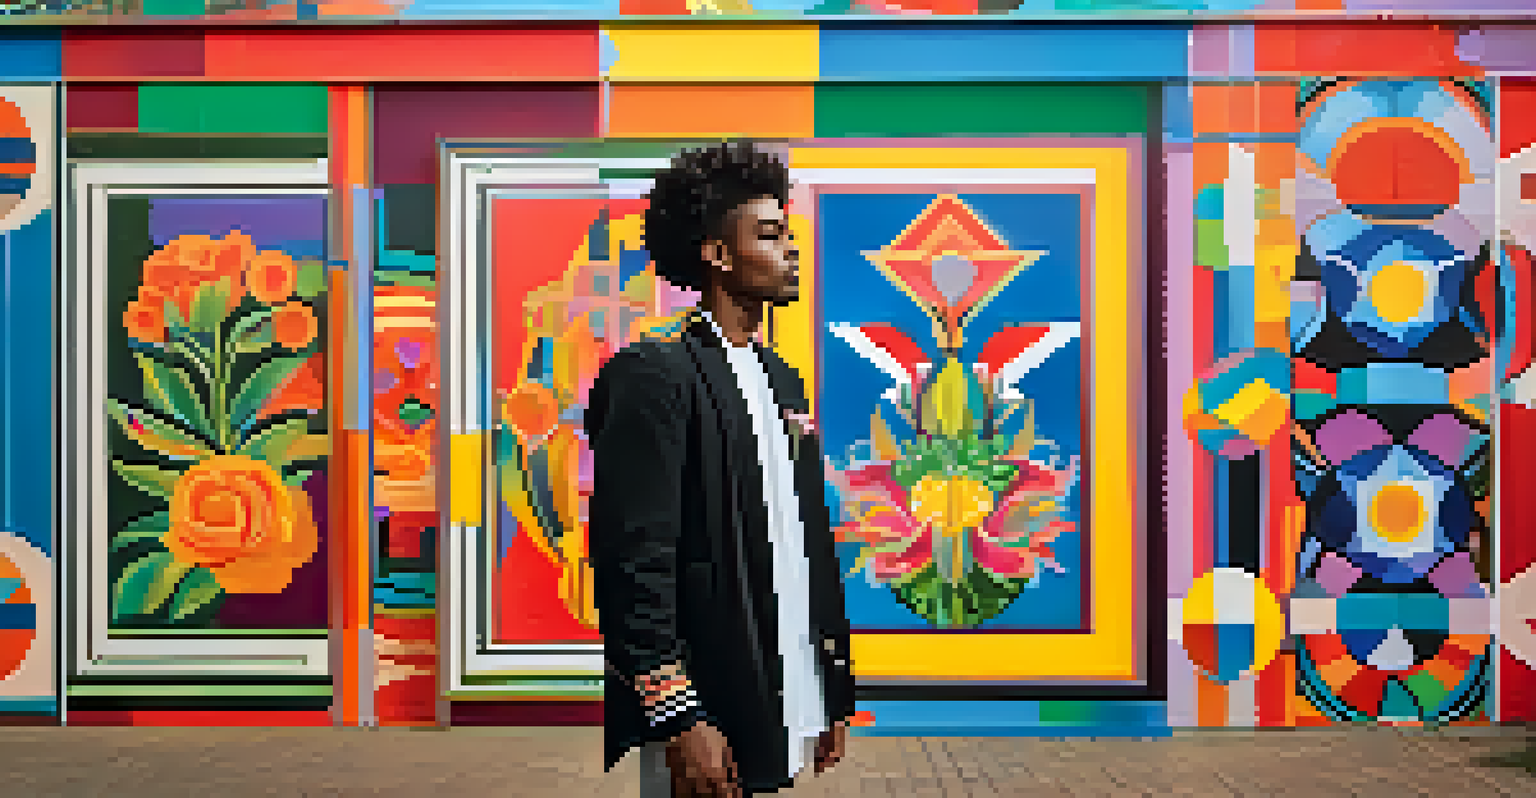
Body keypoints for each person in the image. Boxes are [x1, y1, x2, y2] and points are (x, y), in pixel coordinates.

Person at [586, 142, 855, 798]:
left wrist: (832, 688)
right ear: (716, 253)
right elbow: (633, 555)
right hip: (702, 700)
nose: (789, 248)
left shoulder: (782, 381)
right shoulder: (654, 374)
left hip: (786, 688)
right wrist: (677, 715)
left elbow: (808, 542)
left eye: (788, 233)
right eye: (768, 234)